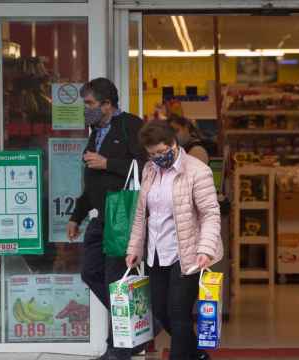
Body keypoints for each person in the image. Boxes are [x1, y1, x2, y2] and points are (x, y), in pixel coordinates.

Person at [125, 121, 223, 360]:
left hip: (187, 253)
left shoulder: (197, 171)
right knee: (160, 310)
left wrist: (206, 249)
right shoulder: (149, 170)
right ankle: (196, 354)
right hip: (156, 253)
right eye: (152, 154)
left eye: (161, 152)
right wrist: (134, 248)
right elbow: (141, 215)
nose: (158, 157)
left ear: (173, 144)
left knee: (178, 313)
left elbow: (210, 212)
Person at [66, 78, 148, 360]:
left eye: (89, 104)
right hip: (99, 216)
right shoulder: (95, 131)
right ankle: (141, 318)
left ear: (107, 105)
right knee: (90, 272)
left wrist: (108, 163)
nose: (85, 109)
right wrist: (77, 215)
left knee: (116, 282)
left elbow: (148, 166)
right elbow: (92, 179)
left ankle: (119, 349)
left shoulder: (131, 126)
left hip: (122, 212)